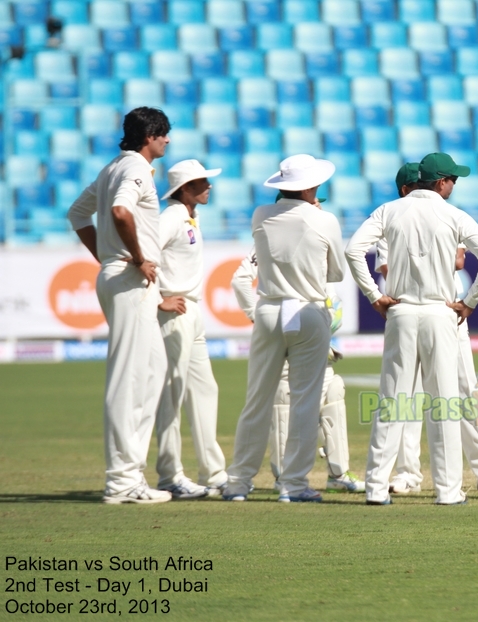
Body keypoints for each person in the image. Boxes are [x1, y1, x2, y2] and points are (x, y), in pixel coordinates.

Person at [345, 152, 478, 506]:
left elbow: (354, 251)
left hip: (399, 311)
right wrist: (470, 301)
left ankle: (375, 488)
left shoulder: (390, 209)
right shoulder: (453, 214)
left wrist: (374, 295)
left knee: (392, 402)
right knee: (443, 403)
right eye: (453, 180)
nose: (454, 185)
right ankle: (447, 491)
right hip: (439, 312)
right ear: (441, 182)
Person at [375, 164, 478, 495]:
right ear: (404, 191)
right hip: (413, 312)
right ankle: (407, 473)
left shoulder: (443, 214)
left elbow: (459, 261)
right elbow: (393, 266)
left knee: (467, 392)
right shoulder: (391, 223)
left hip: (448, 313)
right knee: (407, 398)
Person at [223, 154, 345, 502]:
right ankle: (293, 484)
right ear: (308, 186)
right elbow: (335, 274)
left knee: (257, 400)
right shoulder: (326, 220)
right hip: (307, 309)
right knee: (305, 402)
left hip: (268, 308)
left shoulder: (261, 215)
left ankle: (237, 483)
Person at [67, 107, 172, 504]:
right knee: (129, 377)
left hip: (122, 274)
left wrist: (107, 256)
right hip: (130, 277)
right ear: (150, 135)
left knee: (151, 370)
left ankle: (130, 475)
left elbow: (77, 214)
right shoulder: (135, 170)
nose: (167, 141)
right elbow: (119, 212)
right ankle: (121, 481)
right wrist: (136, 257)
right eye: (163, 134)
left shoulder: (109, 169)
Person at [230, 223, 363, 494]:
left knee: (333, 391)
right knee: (284, 397)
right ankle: (284, 478)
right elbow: (240, 279)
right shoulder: (270, 238)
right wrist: (257, 315)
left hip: (316, 329)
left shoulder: (317, 231)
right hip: (291, 325)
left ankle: (338, 473)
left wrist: (326, 319)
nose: (315, 205)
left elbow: (333, 287)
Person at [153, 160, 227, 499]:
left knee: (204, 389)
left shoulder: (188, 216)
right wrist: (158, 299)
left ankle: (213, 472)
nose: (208, 186)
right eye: (201, 182)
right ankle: (170, 475)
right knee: (173, 392)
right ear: (184, 188)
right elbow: (140, 255)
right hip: (175, 311)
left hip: (192, 311)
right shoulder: (170, 218)